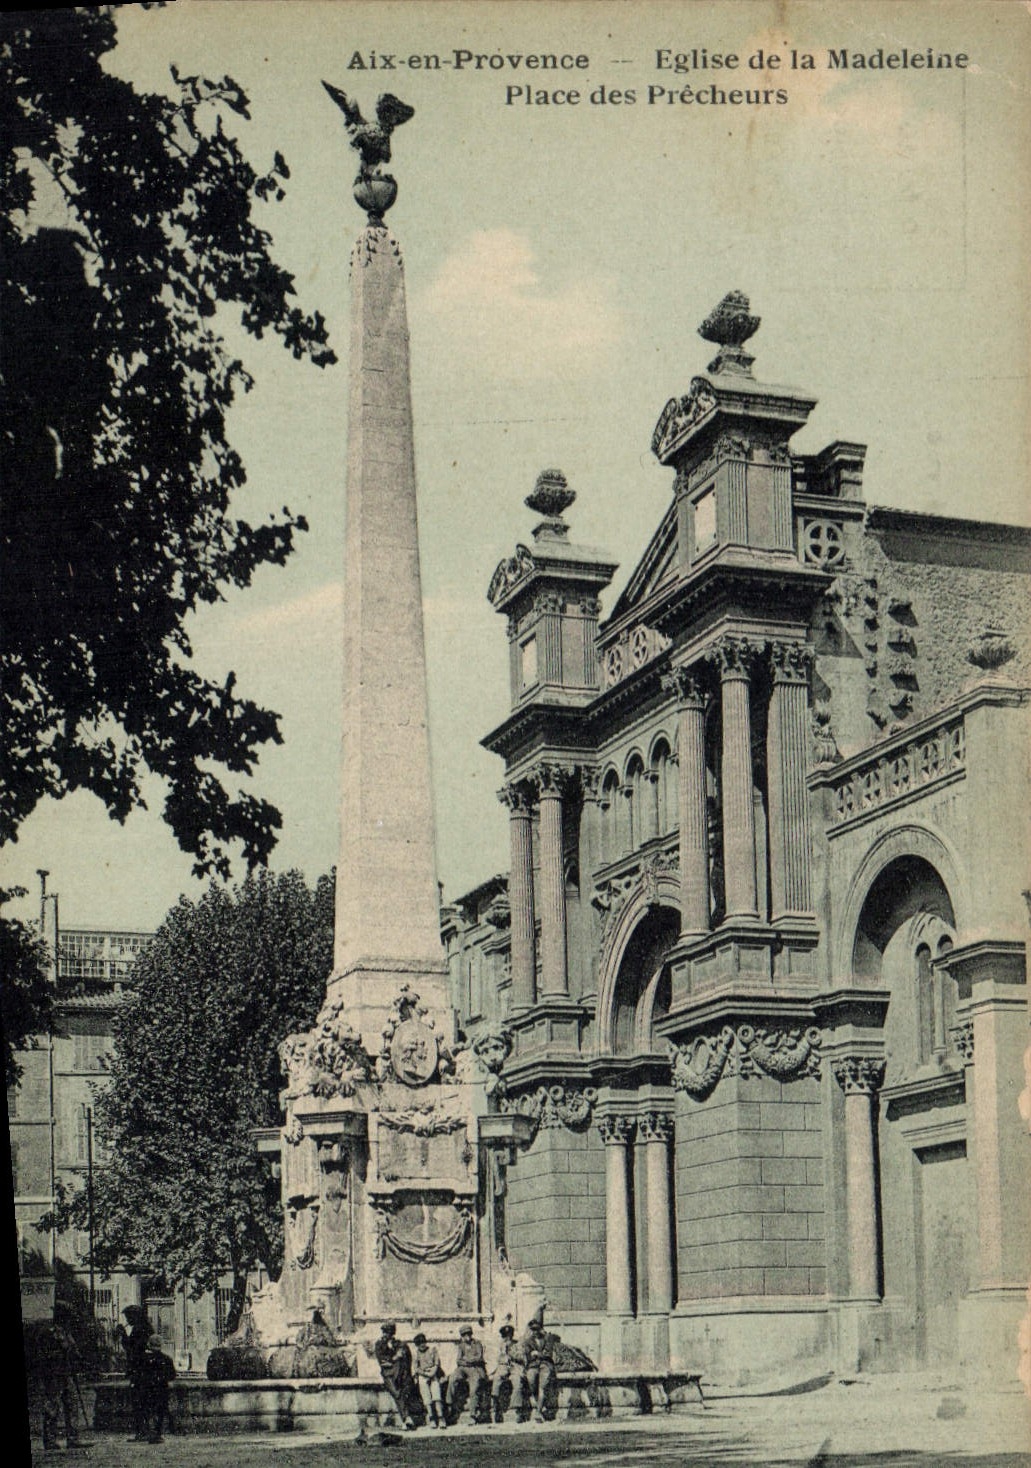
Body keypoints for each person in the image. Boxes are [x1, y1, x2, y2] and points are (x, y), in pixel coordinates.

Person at [37, 1310, 82, 1451]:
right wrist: (58, 1354)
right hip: (53, 1374)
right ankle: (50, 1440)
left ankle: (73, 1438)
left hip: (66, 1373)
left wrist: (73, 1355)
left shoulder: (67, 1334)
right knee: (52, 1407)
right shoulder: (47, 1333)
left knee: (72, 1404)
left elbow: (75, 1352)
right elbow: (42, 1355)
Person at [372, 1322, 417, 1431]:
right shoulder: (379, 1345)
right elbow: (382, 1362)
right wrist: (395, 1357)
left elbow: (407, 1360)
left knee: (401, 1392)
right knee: (397, 1393)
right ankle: (406, 1418)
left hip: (401, 1375)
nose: (386, 1335)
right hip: (389, 1375)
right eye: (385, 1332)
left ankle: (406, 1420)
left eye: (389, 1333)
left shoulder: (400, 1344)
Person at [116, 1304, 151, 1442]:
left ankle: (142, 1432)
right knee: (142, 1402)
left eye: (129, 1316)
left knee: (139, 1402)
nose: (127, 1319)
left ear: (135, 1316)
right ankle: (143, 1431)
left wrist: (123, 1335)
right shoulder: (143, 1328)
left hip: (140, 1371)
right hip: (143, 1370)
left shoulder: (140, 1329)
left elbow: (132, 1350)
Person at [521, 1307, 557, 1423]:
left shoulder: (547, 1339)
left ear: (540, 1329)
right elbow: (528, 1355)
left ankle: (538, 1412)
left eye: (537, 1329)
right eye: (533, 1330)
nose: (535, 1332)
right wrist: (535, 1354)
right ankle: (540, 1408)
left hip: (545, 1365)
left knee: (543, 1386)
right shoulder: (528, 1341)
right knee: (531, 1382)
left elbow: (548, 1353)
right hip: (533, 1366)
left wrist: (538, 1353)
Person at [137, 1335, 176, 1444]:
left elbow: (138, 1374)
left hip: (147, 1389)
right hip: (162, 1389)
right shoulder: (167, 1359)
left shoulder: (143, 1359)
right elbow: (172, 1375)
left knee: (147, 1410)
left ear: (149, 1344)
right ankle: (157, 1433)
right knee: (160, 1411)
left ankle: (146, 1431)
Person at [446, 1324, 488, 1426]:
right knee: (452, 1379)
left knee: (474, 1388)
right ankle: (449, 1405)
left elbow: (479, 1358)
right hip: (463, 1369)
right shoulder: (461, 1346)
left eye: (468, 1334)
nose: (467, 1337)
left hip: (475, 1368)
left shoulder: (477, 1344)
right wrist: (467, 1361)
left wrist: (468, 1360)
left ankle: (473, 1415)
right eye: (464, 1335)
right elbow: (458, 1361)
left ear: (471, 1334)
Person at [489, 1323, 525, 1424]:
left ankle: (517, 1410)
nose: (507, 1339)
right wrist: (502, 1354)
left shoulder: (518, 1345)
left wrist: (512, 1354)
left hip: (514, 1367)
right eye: (505, 1337)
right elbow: (494, 1358)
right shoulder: (499, 1345)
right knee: (496, 1380)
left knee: (517, 1382)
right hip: (503, 1366)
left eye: (509, 1336)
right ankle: (496, 1407)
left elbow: (522, 1358)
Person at [411, 1332, 446, 1429]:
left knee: (436, 1395)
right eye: (419, 1344)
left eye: (423, 1342)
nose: (422, 1345)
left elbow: (436, 1363)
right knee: (426, 1396)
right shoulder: (416, 1353)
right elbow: (416, 1368)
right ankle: (432, 1418)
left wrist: (432, 1373)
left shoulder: (432, 1350)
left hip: (433, 1373)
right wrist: (425, 1374)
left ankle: (441, 1417)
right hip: (423, 1375)